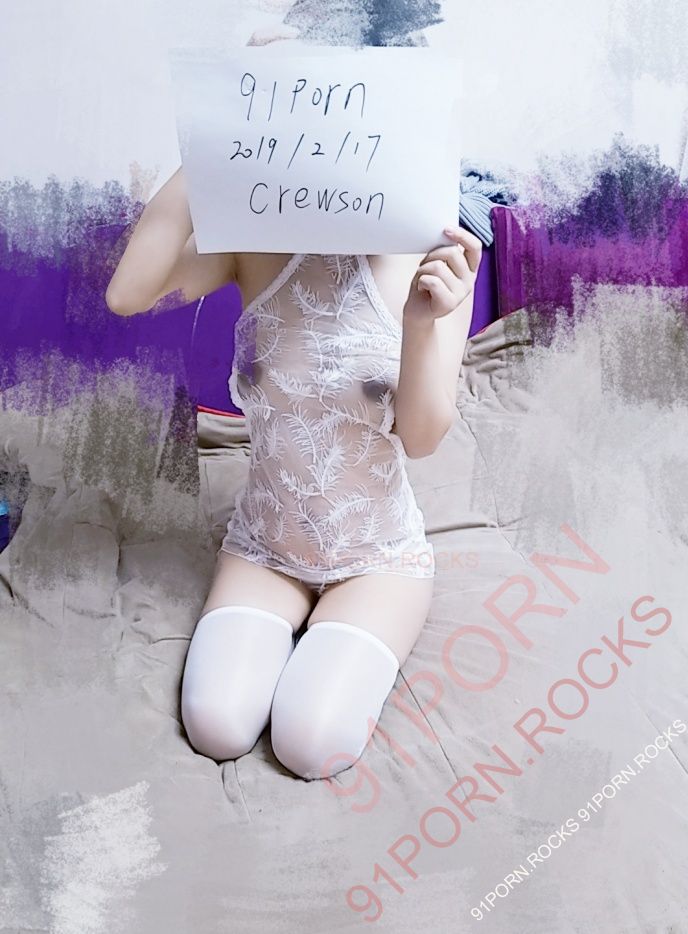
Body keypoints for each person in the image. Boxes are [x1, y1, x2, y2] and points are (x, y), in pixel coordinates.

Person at [106, 29, 482, 781]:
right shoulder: (253, 239)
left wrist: (422, 323)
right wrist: (214, 140)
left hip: (377, 558)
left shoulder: (430, 245)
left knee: (311, 745)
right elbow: (128, 294)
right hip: (266, 545)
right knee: (217, 726)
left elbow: (423, 436)